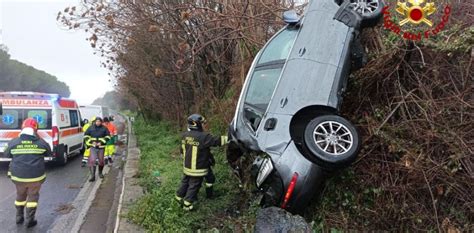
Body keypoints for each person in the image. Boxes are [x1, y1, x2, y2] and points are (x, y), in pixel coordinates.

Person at [5, 118, 51, 228]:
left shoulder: (13, 142)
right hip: (35, 177)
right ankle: (30, 220)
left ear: (22, 128)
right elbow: (49, 152)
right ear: (35, 130)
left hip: (18, 176)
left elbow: (7, 154)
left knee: (20, 194)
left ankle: (19, 217)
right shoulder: (41, 142)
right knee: (33, 196)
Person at [175, 114, 228, 211]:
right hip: (198, 168)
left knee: (186, 181)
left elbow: (182, 150)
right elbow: (217, 141)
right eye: (202, 124)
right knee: (194, 185)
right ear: (196, 124)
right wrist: (230, 138)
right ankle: (187, 204)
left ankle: (179, 196)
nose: (204, 126)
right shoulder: (203, 137)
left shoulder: (184, 136)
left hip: (187, 166)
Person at [83, 117, 110, 182]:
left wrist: (101, 142)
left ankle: (100, 173)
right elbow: (86, 136)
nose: (98, 122)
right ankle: (93, 176)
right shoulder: (91, 128)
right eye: (97, 121)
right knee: (92, 160)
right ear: (95, 122)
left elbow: (108, 136)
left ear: (101, 122)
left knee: (101, 161)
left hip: (101, 147)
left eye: (99, 121)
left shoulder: (104, 128)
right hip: (93, 147)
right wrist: (91, 142)